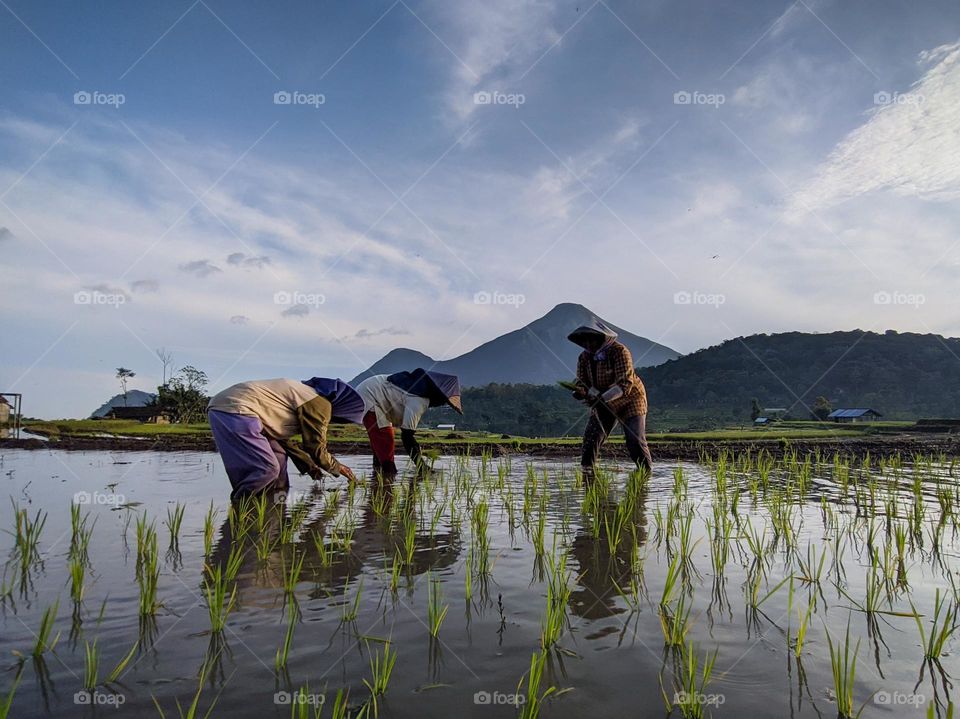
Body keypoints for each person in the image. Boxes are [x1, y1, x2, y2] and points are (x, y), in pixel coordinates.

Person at [207, 377, 364, 498]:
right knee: (266, 468)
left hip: (242, 411)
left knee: (279, 459)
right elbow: (315, 446)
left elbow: (285, 443)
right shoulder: (319, 403)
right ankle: (243, 507)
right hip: (235, 409)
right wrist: (339, 467)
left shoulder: (302, 394)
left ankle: (274, 509)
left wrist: (310, 467)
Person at [568, 319, 652, 473]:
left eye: (591, 340)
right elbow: (582, 382)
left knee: (635, 440)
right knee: (590, 440)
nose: (588, 344)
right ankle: (587, 474)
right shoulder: (584, 357)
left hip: (631, 400)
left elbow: (624, 384)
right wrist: (579, 392)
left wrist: (600, 399)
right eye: (585, 341)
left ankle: (645, 474)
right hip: (603, 402)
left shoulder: (620, 351)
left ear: (601, 338)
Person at [355, 368, 462, 476]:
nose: (442, 404)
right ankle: (388, 475)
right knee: (385, 438)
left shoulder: (417, 389)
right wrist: (422, 467)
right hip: (369, 395)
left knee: (381, 442)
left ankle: (378, 473)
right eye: (443, 402)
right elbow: (407, 436)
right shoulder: (418, 399)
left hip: (372, 390)